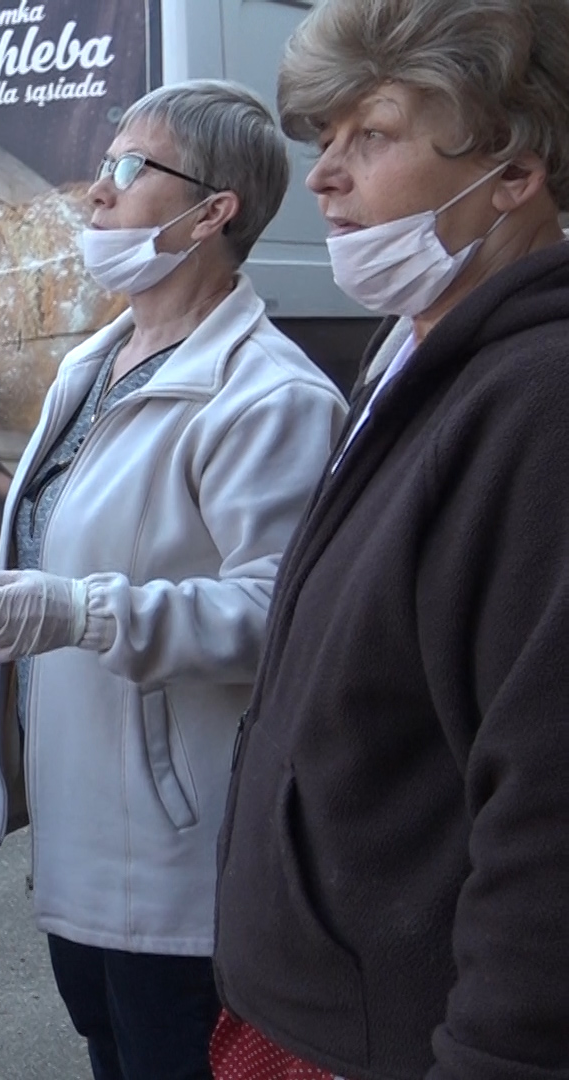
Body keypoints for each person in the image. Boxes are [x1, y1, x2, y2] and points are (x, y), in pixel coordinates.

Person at [0, 80, 347, 1080]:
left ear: (214, 212)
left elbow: (277, 615)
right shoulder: (94, 362)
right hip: (81, 844)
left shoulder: (270, 398)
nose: (95, 194)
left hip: (178, 874)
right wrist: (16, 716)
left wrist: (78, 613)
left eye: (129, 169)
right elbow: (66, 551)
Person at [211, 1, 569, 1076]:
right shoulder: (415, 347)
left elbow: (548, 813)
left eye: (373, 136)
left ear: (515, 170)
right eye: (326, 140)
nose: (323, 176)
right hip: (303, 1006)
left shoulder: (541, 401)